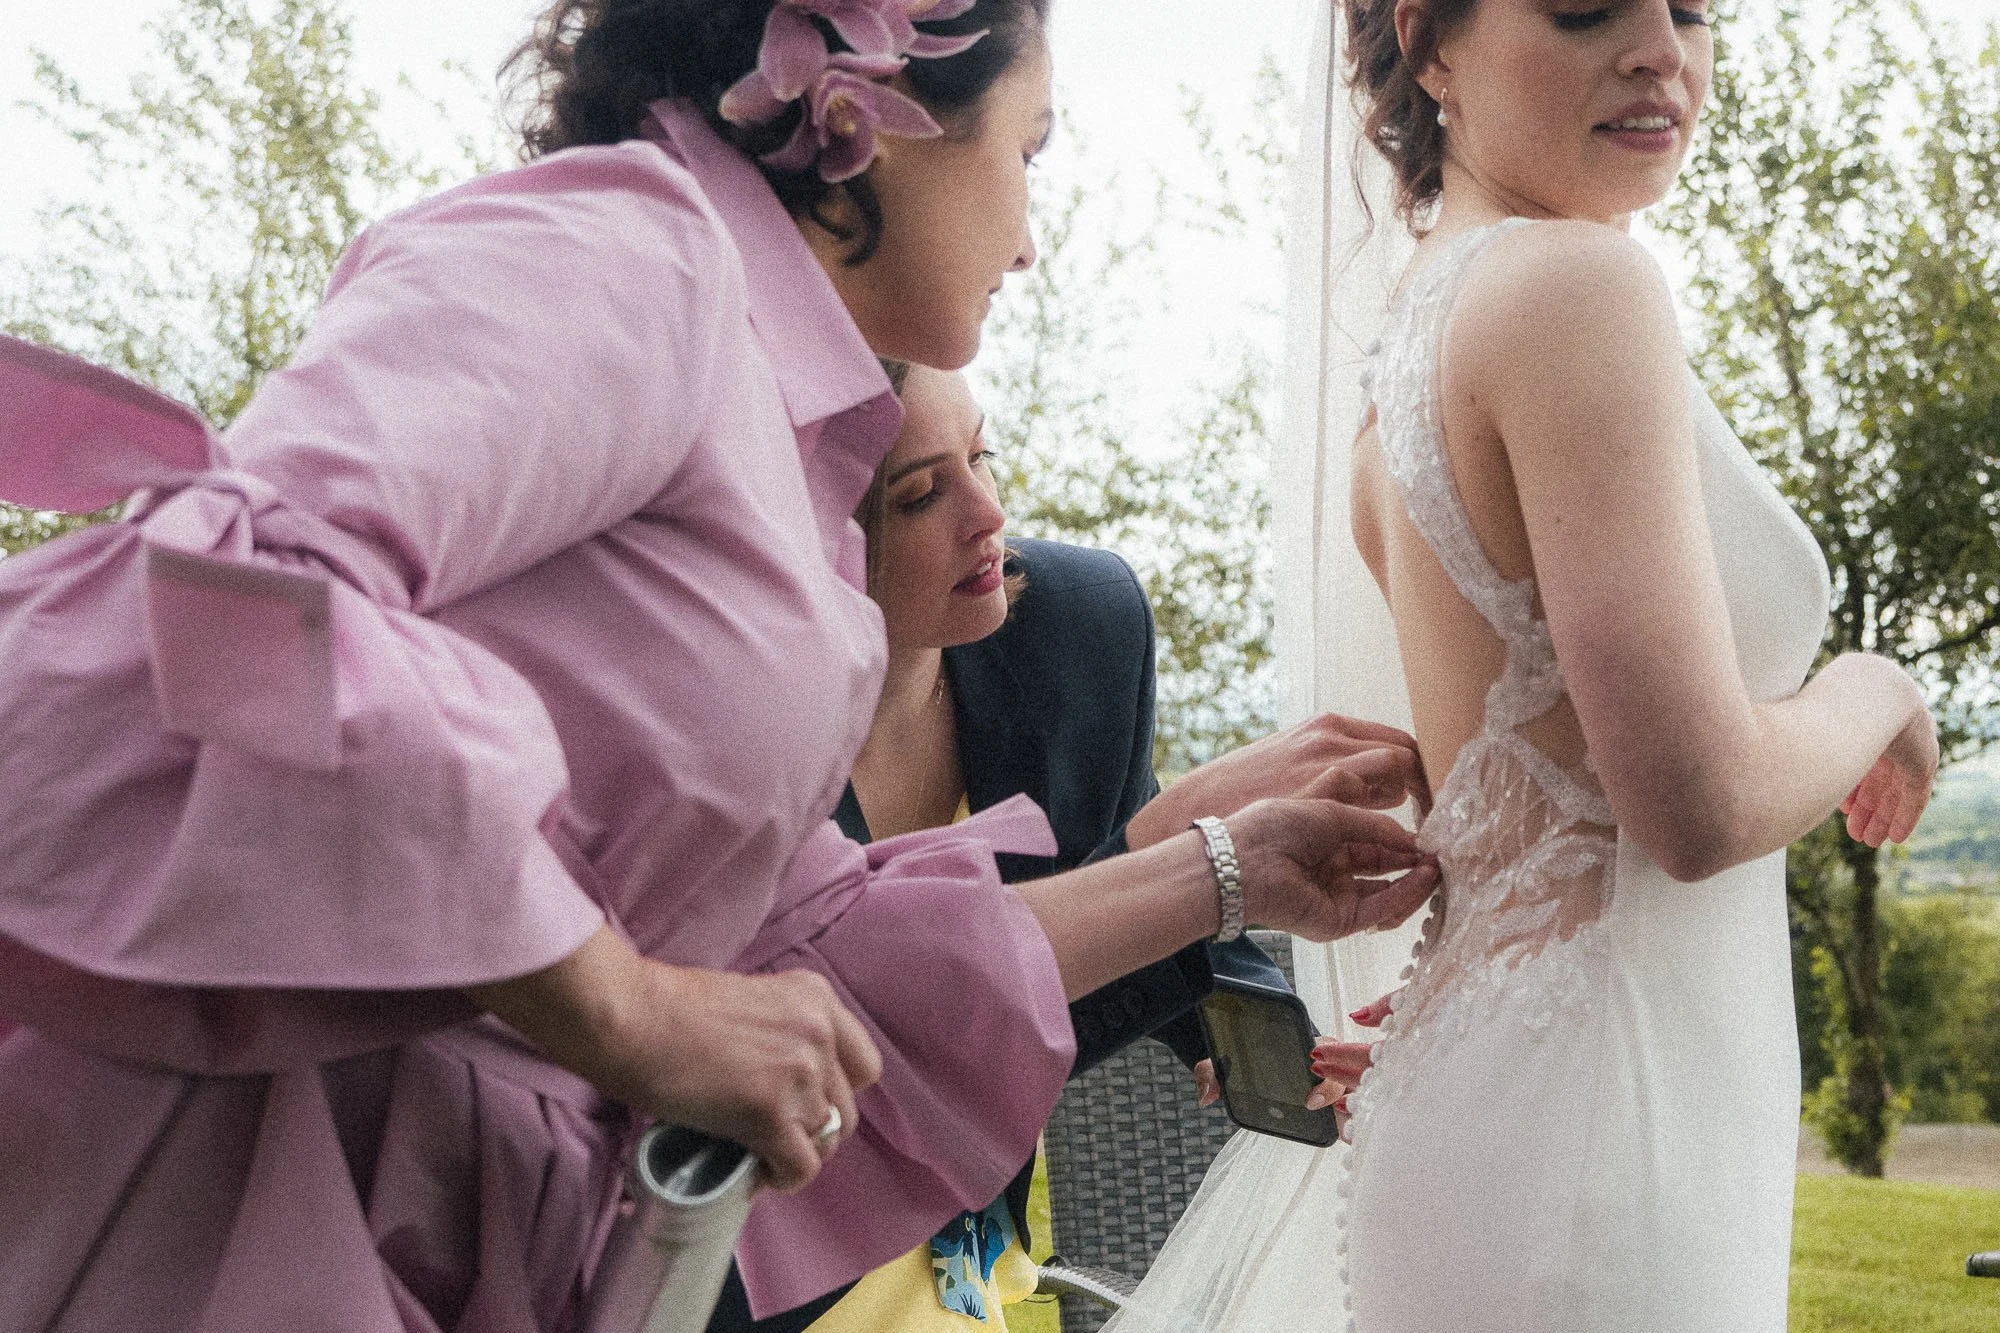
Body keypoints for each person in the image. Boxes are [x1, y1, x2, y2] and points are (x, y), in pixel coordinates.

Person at [0, 2, 1442, 1330]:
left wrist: (1228, 867)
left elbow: (784, 960)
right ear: (872, 117)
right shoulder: (624, 251)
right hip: (202, 1188)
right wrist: (628, 1008)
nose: (1027, 238)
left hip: (435, 1224)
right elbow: (235, 593)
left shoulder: (785, 447)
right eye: (1030, 151)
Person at [1102, 2, 1941, 1331]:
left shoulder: (1421, 340)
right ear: (1428, 42)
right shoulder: (1576, 289)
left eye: (1693, 11)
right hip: (1608, 1123)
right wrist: (1878, 688)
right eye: (1587, 8)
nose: (1663, 50)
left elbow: (1507, 784)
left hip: (1526, 1082)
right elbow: (1698, 803)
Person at [706, 362, 1424, 1332]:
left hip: (982, 1249)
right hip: (775, 1255)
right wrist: (1176, 856)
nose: (986, 514)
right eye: (920, 496)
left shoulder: (1076, 633)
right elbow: (895, 1050)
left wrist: (1237, 1021)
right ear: (808, 542)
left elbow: (1113, 877)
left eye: (981, 456)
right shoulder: (713, 736)